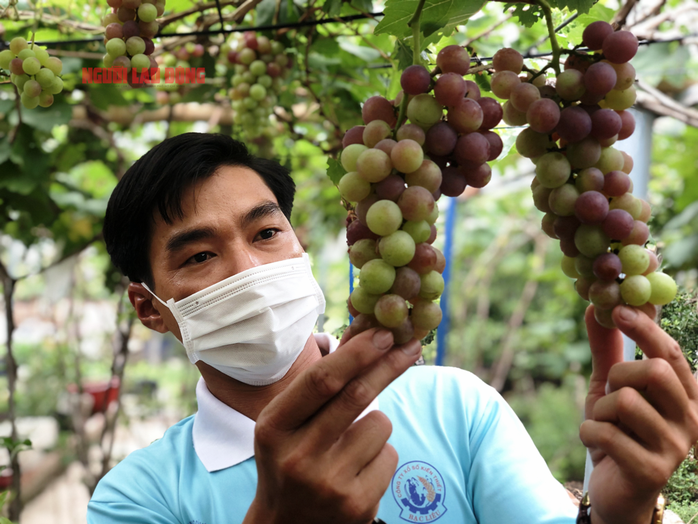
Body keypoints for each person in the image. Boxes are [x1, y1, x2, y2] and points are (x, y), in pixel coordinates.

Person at [88, 132, 698, 524]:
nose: (249, 269)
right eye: (199, 256)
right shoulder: (137, 499)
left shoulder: (457, 407)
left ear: (300, 247)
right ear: (150, 308)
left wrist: (620, 518)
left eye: (266, 233)